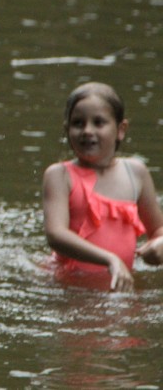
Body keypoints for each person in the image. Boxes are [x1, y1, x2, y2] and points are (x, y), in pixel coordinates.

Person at [42, 82, 163, 292]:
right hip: (69, 286)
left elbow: (158, 229)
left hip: (120, 285)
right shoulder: (60, 175)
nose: (87, 131)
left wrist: (159, 244)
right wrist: (110, 259)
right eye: (78, 123)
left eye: (98, 123)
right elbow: (56, 235)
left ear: (120, 129)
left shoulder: (136, 174)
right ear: (66, 129)